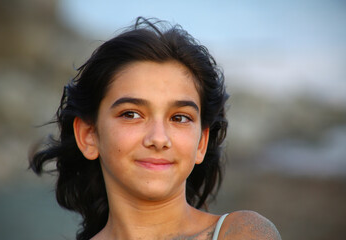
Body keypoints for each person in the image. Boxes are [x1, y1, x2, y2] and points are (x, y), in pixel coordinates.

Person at [30, 17, 281, 240]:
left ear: (201, 143)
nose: (159, 139)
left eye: (180, 118)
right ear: (88, 136)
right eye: (131, 114)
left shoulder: (242, 232)